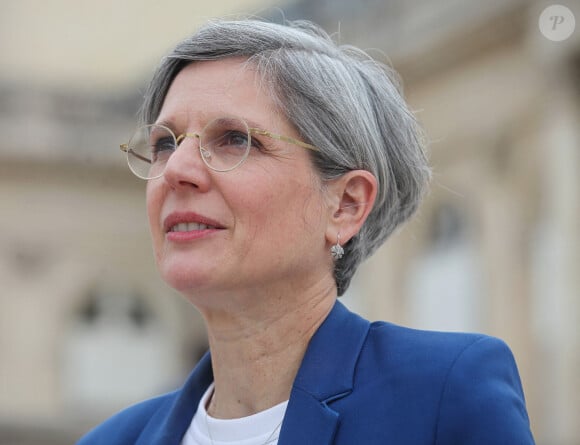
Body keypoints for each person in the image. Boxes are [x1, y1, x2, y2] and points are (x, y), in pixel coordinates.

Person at [78, 18, 534, 445]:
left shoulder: (444, 393)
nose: (176, 168)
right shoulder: (112, 440)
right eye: (164, 143)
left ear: (346, 204)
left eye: (235, 139)